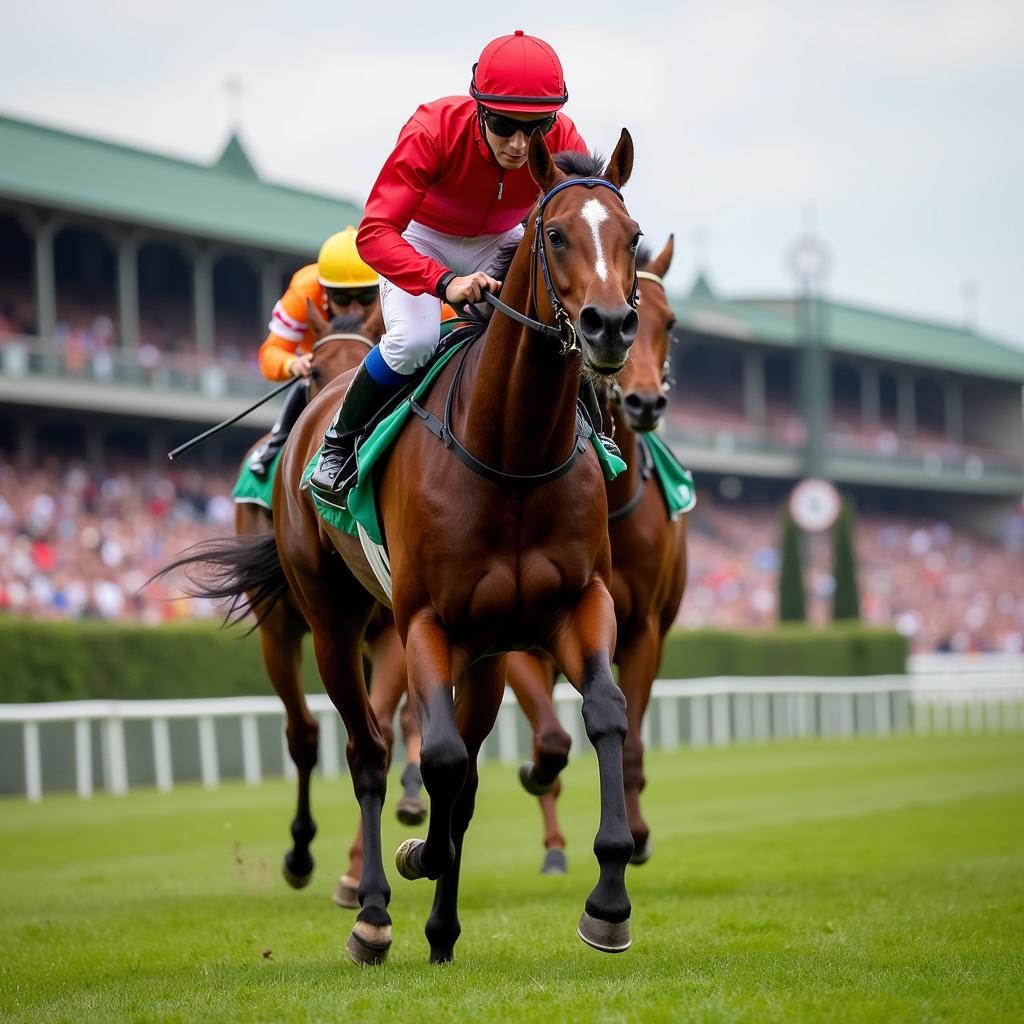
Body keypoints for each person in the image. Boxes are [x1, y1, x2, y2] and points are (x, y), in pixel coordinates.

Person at [310, 30, 587, 499]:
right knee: (415, 341)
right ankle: (339, 439)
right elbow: (374, 234)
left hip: (501, 239)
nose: (521, 145)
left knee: (559, 325)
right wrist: (443, 283)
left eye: (537, 127)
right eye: (504, 124)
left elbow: (584, 219)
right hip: (423, 239)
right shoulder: (432, 129)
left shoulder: (565, 138)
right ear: (478, 107)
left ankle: (592, 430)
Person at [247, 228, 379, 476]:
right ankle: (277, 441)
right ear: (324, 291)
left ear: (381, 287)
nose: (353, 309)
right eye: (341, 298)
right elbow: (270, 353)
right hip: (323, 372)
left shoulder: (398, 288)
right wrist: (292, 364)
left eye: (366, 297)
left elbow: (451, 323)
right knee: (304, 385)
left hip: (385, 366)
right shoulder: (304, 290)